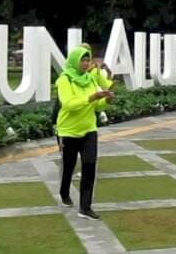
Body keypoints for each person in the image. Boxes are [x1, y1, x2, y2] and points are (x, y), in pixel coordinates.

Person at [56, 46, 113, 221]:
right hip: (69, 131)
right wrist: (91, 98)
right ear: (75, 61)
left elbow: (97, 106)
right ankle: (64, 192)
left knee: (89, 166)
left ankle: (85, 207)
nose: (86, 63)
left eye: (88, 60)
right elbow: (68, 104)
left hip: (89, 129)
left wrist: (106, 100)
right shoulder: (65, 80)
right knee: (69, 166)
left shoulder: (90, 79)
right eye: (83, 60)